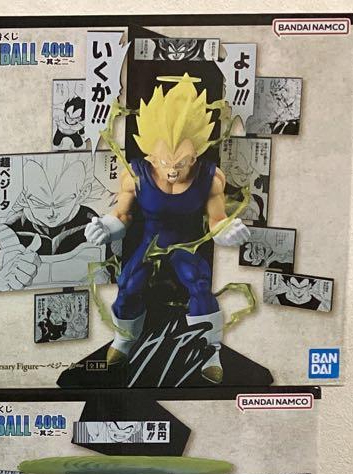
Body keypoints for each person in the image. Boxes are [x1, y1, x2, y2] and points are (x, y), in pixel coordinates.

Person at [84, 75, 250, 383]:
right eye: (165, 163)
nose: (173, 171)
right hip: (150, 241)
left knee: (198, 284)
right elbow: (122, 215)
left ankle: (209, 350)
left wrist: (226, 230)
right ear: (150, 156)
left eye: (182, 163)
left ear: (195, 156)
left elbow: (216, 220)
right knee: (129, 282)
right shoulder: (135, 175)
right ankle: (125, 338)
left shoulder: (210, 177)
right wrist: (106, 227)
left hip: (186, 243)